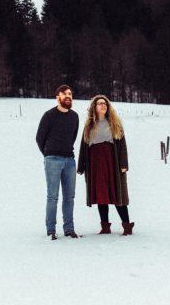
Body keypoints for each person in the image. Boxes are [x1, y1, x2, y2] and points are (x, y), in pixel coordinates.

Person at [77, 94, 134, 235]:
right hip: (95, 163)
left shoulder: (115, 123)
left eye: (105, 103)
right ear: (94, 107)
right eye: (100, 103)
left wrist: (123, 163)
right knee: (101, 193)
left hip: (112, 162)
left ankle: (127, 226)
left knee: (117, 192)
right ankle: (105, 227)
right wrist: (81, 165)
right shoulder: (89, 126)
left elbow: (122, 145)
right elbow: (83, 146)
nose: (103, 105)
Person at [36, 84, 80, 240]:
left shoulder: (74, 116)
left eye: (70, 93)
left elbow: (73, 137)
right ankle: (51, 230)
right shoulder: (49, 116)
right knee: (52, 197)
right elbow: (39, 138)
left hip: (70, 160)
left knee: (69, 197)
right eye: (64, 94)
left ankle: (69, 229)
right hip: (52, 160)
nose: (68, 96)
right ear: (57, 98)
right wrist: (48, 154)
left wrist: (65, 152)